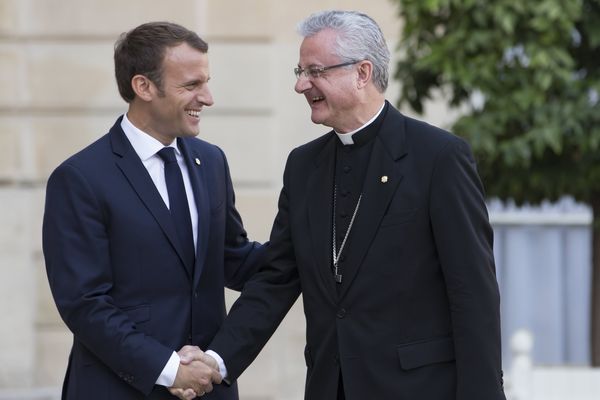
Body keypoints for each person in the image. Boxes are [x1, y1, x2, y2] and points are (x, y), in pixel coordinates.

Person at [182, 10, 506, 400]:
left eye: (315, 71)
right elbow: (277, 278)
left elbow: (473, 292)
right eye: (299, 71)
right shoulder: (303, 166)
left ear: (362, 73)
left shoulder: (438, 157)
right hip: (329, 387)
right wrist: (218, 360)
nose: (301, 85)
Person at [42, 21, 264, 399]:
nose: (207, 97)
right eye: (191, 85)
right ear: (143, 86)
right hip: (118, 388)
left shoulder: (211, 161)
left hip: (209, 389)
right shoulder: (79, 178)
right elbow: (84, 305)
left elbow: (232, 259)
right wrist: (171, 370)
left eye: (206, 82)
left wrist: (309, 245)